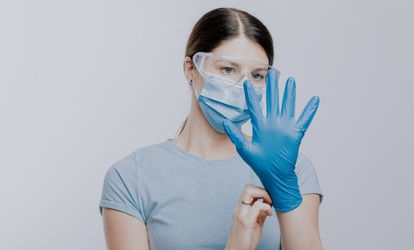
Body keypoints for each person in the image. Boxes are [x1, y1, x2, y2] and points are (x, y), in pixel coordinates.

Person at [99, 7, 324, 250]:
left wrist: (286, 192)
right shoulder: (131, 178)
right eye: (228, 69)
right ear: (190, 70)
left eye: (257, 75)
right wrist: (236, 245)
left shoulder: (292, 169)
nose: (243, 86)